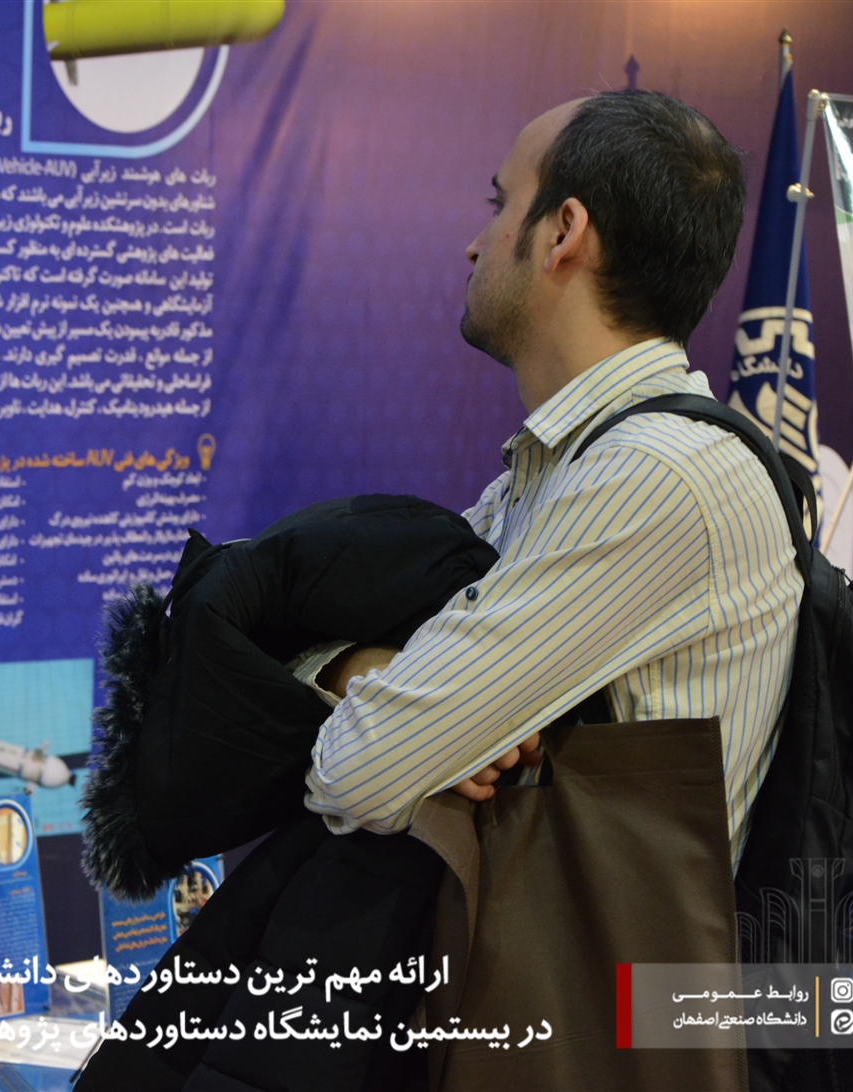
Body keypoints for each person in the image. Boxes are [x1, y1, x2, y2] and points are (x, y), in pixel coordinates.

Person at [308, 89, 802, 872]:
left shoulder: (653, 476)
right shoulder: (579, 453)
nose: (475, 244)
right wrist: (362, 668)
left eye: (500, 204)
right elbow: (364, 662)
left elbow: (359, 770)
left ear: (564, 232)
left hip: (609, 953)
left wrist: (372, 682)